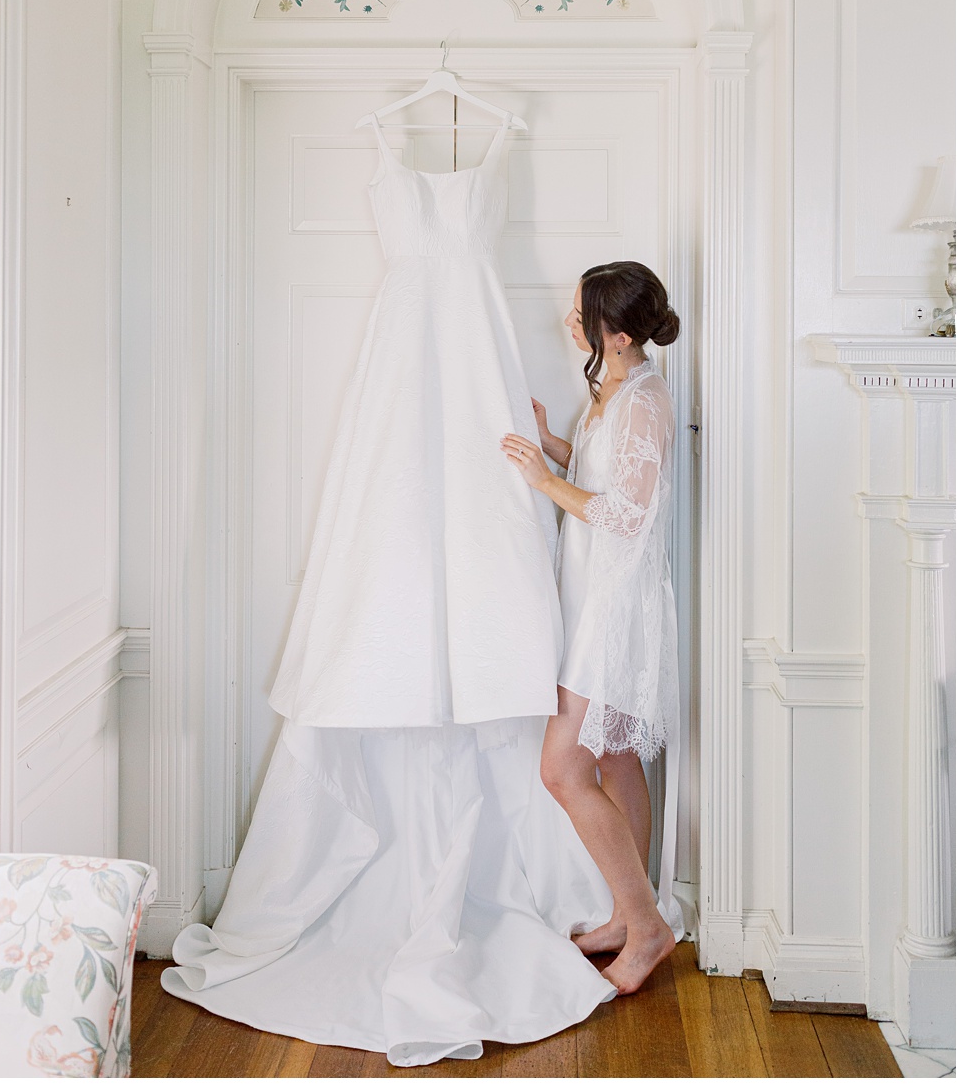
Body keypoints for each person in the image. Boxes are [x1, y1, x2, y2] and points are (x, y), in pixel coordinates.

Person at [164, 117, 616, 1066]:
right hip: (407, 354)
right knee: (396, 500)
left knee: (478, 516)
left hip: (470, 348)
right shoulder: (393, 157)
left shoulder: (492, 151)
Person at [501, 261, 684, 995]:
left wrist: (545, 485)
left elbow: (626, 514)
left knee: (562, 768)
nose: (569, 320)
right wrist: (555, 447)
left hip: (616, 606)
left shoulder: (644, 401)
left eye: (581, 313)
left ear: (612, 332)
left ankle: (648, 927)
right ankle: (626, 913)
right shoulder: (616, 384)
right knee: (614, 762)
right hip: (592, 595)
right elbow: (607, 478)